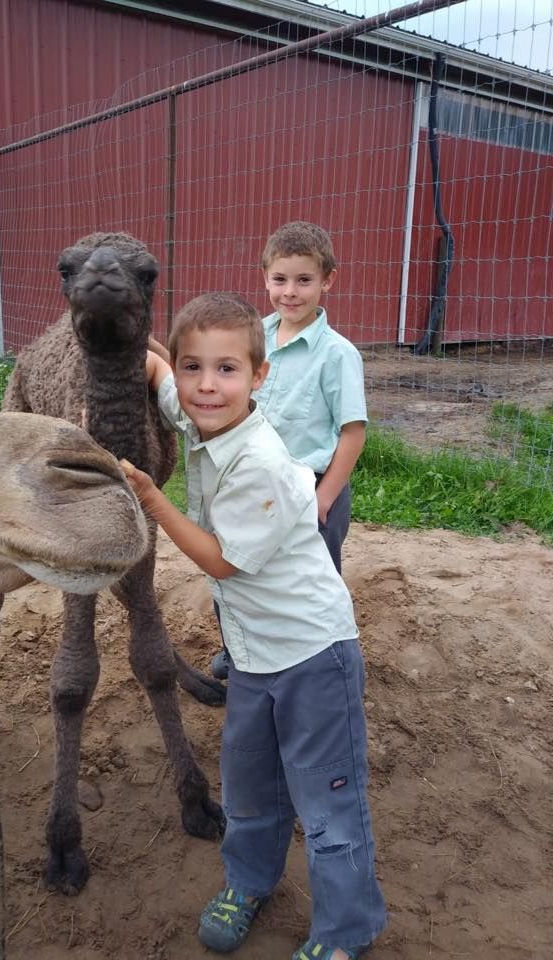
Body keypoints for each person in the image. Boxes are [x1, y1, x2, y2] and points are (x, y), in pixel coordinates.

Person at [122, 292, 386, 960]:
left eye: (228, 370)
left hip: (311, 657)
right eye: (194, 368)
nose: (208, 385)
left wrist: (153, 499)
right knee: (247, 784)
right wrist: (140, 353)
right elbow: (165, 386)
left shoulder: (262, 463)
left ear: (260, 377)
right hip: (254, 656)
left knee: (327, 803)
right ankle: (248, 880)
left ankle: (345, 929)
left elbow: (223, 562)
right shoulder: (204, 414)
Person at [210, 221, 367, 681]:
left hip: (311, 491)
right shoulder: (253, 337)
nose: (291, 292)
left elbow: (352, 433)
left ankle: (316, 665)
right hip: (252, 484)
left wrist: (325, 497)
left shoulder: (337, 354)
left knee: (309, 582)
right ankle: (238, 650)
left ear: (327, 280)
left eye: (304, 280)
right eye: (280, 280)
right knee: (238, 572)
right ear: (264, 278)